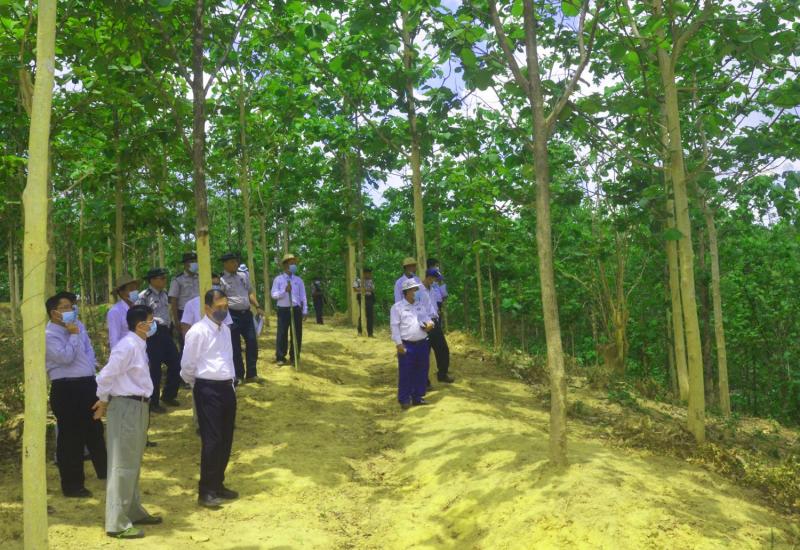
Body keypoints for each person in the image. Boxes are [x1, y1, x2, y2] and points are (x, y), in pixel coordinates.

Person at [93, 305, 162, 539]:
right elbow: (105, 375)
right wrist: (103, 400)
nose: (154, 325)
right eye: (151, 321)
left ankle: (132, 510)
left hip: (138, 406)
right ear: (141, 325)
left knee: (132, 462)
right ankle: (117, 523)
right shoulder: (127, 346)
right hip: (126, 408)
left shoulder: (139, 345)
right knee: (121, 465)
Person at [181, 289, 239, 508]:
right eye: (219, 307)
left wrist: (231, 383)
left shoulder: (225, 330)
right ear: (207, 309)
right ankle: (206, 491)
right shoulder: (198, 331)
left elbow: (228, 359)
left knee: (225, 438)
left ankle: (218, 484)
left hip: (226, 387)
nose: (223, 311)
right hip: (207, 389)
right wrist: (199, 385)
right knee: (212, 441)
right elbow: (188, 365)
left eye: (226, 307)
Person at [45, 291, 107, 498]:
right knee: (71, 438)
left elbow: (88, 349)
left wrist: (92, 368)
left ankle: (105, 471)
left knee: (94, 429)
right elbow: (65, 358)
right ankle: (72, 485)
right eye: (65, 307)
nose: (70, 310)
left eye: (71, 306)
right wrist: (72, 335)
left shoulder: (78, 325)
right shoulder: (49, 335)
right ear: (54, 313)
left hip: (87, 384)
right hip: (66, 388)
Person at [136, 268, 181, 411]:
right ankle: (153, 402)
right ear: (152, 280)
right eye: (161, 278)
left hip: (166, 333)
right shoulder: (144, 296)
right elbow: (138, 315)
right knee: (154, 369)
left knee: (176, 363)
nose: (164, 280)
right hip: (152, 335)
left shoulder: (165, 294)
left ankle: (168, 395)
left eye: (164, 278)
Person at [219, 252, 265, 382]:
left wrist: (258, 306)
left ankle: (252, 374)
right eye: (232, 262)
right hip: (232, 315)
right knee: (235, 346)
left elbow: (249, 293)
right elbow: (220, 298)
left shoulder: (243, 276)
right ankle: (238, 374)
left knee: (252, 342)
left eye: (236, 261)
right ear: (225, 264)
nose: (235, 264)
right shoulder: (222, 280)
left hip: (247, 314)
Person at [390, 279, 434, 409]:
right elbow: (394, 327)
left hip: (422, 344)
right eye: (415, 289)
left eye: (417, 289)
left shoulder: (420, 305)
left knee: (421, 371)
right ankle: (404, 399)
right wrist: (399, 344)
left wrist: (430, 325)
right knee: (406, 372)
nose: (417, 292)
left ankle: (417, 397)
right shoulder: (397, 308)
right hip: (407, 345)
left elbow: (428, 319)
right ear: (407, 292)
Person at [271, 253, 307, 366]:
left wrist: (305, 310)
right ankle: (280, 357)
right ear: (285, 265)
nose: (294, 265)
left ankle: (294, 356)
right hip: (283, 309)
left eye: (295, 263)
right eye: (292, 263)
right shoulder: (278, 279)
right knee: (282, 333)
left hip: (296, 309)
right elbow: (273, 295)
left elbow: (303, 296)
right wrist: (284, 291)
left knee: (296, 333)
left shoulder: (298, 280)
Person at [420, 268, 455, 383]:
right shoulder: (418, 290)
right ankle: (424, 381)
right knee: (424, 353)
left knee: (443, 349)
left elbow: (433, 305)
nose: (436, 282)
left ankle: (442, 374)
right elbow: (415, 307)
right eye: (435, 279)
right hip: (424, 324)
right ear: (429, 278)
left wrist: (436, 314)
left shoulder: (432, 289)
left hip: (435, 322)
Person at [168, 252, 200, 350]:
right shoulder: (178, 280)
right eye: (191, 261)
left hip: (199, 313)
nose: (194, 263)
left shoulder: (201, 277)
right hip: (184, 314)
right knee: (186, 343)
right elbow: (173, 301)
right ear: (185, 264)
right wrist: (176, 320)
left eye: (195, 261)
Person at [107, 273, 141, 351]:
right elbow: (114, 339)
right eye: (131, 289)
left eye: (135, 288)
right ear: (121, 292)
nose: (135, 292)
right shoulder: (115, 312)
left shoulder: (138, 308)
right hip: (125, 353)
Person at [353, 268, 375, 337]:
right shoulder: (358, 280)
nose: (369, 275)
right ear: (364, 273)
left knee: (370, 316)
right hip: (361, 298)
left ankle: (370, 333)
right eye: (368, 273)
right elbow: (355, 289)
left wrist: (365, 289)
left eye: (370, 273)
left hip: (369, 298)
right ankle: (360, 331)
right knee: (362, 314)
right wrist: (362, 290)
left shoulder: (370, 281)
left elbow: (372, 289)